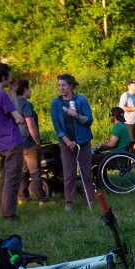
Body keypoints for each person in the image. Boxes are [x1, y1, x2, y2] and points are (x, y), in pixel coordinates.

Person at [0, 63, 26, 221]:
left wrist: (13, 92)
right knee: (12, 178)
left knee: (4, 177)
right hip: (12, 141)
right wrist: (12, 94)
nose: (11, 76)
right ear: (3, 78)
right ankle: (10, 214)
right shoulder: (0, 95)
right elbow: (19, 118)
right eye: (9, 74)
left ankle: (4, 209)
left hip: (0, 142)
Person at [50, 74, 95, 212]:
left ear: (70, 86)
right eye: (59, 85)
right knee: (68, 174)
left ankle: (90, 199)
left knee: (86, 172)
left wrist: (76, 115)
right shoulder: (56, 103)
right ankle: (69, 201)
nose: (61, 88)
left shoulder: (81, 100)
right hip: (66, 143)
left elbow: (89, 120)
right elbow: (56, 125)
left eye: (63, 85)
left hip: (83, 141)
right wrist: (67, 141)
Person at [15, 80, 47, 205]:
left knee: (22, 171)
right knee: (35, 172)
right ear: (24, 89)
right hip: (29, 143)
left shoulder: (12, 104)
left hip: (17, 143)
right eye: (29, 88)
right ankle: (41, 198)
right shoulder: (26, 105)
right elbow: (31, 125)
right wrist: (37, 141)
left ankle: (23, 197)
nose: (30, 91)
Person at [119, 79, 135, 151]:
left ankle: (133, 160)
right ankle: (127, 160)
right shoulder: (125, 95)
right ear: (129, 86)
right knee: (130, 143)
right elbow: (121, 108)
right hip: (129, 123)